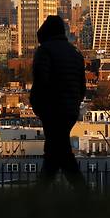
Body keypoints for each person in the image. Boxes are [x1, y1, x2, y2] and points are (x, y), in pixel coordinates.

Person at [29, 15, 86, 187]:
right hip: (70, 111)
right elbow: (82, 87)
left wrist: (38, 105)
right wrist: (74, 104)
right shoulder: (75, 53)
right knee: (57, 150)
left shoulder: (45, 51)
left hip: (52, 110)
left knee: (58, 151)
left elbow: (41, 82)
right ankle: (41, 195)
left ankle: (83, 193)